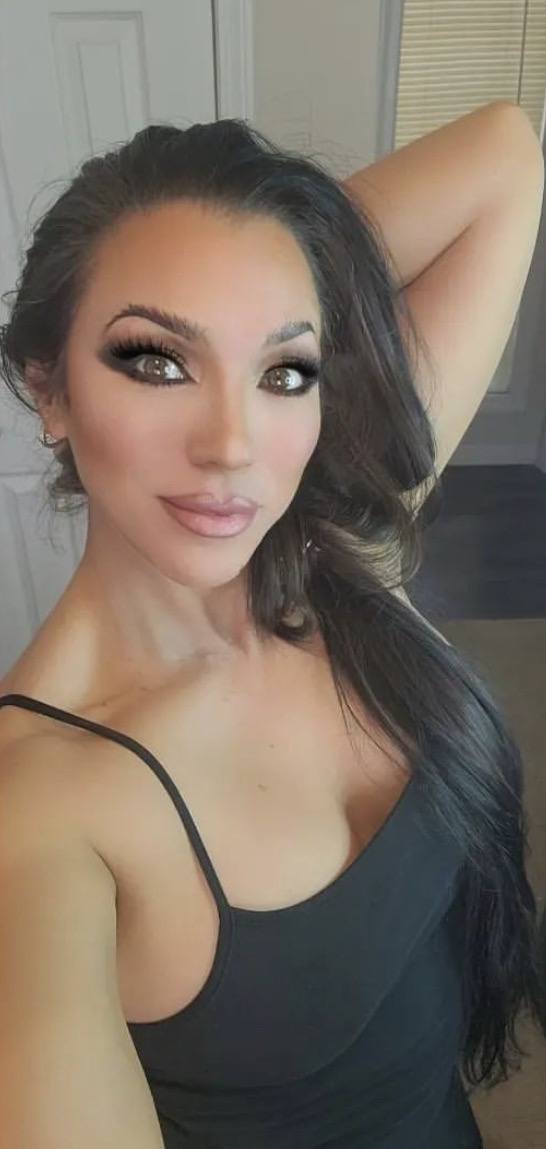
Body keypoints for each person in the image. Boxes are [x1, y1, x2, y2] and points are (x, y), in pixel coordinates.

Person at [0, 117, 542, 1148]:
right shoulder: (36, 809)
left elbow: (506, 152)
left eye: (284, 370)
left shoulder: (336, 550)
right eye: (157, 361)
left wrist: (276, 253)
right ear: (48, 387)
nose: (232, 445)